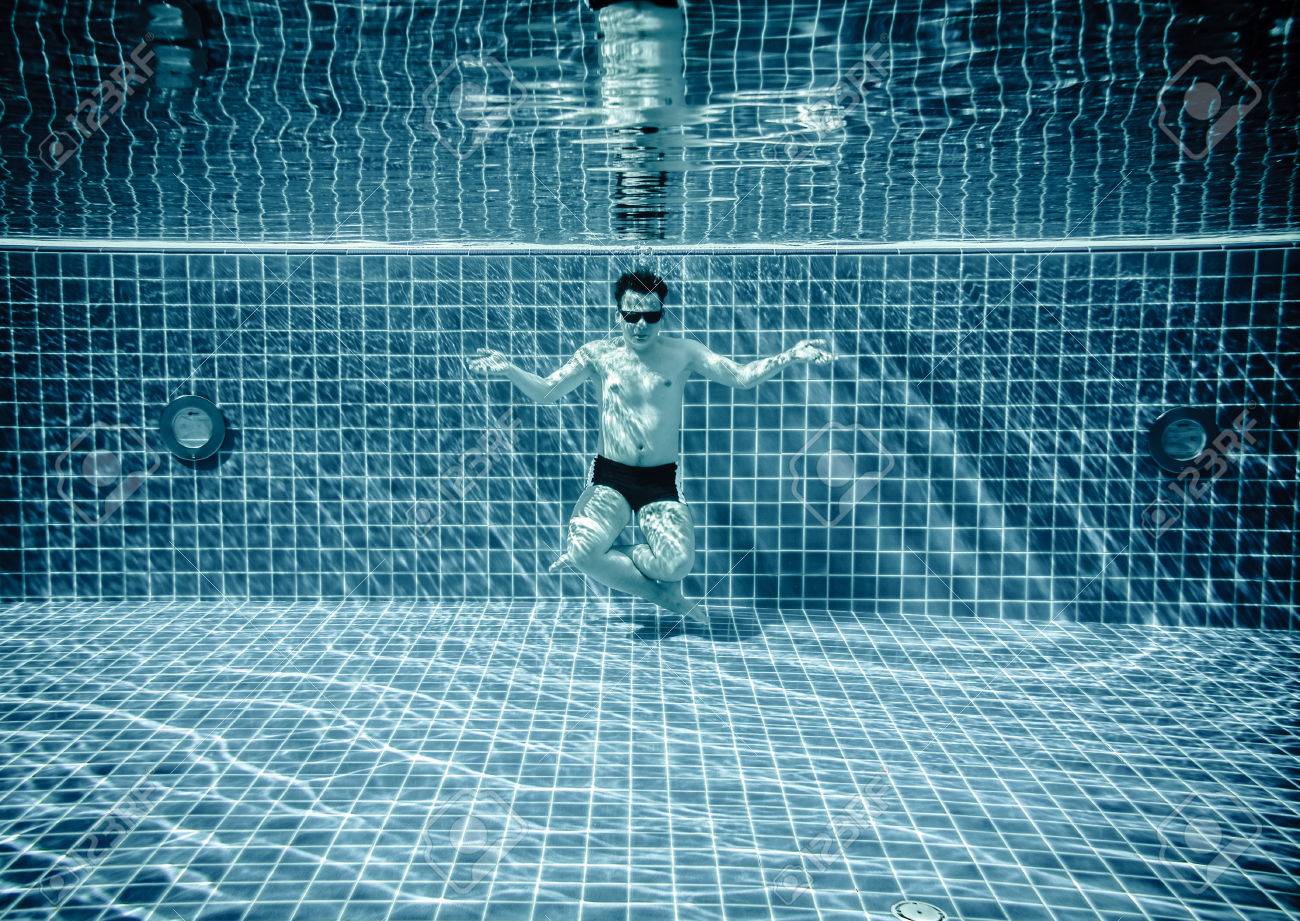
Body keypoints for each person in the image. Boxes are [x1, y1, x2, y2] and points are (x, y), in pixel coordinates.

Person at [468, 271, 832, 624]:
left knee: (677, 565)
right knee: (585, 551)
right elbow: (548, 391)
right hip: (610, 476)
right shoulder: (597, 355)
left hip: (660, 481)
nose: (641, 324)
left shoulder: (684, 353)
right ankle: (662, 596)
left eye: (651, 315)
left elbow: (740, 377)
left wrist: (790, 356)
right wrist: (510, 370)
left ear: (662, 315)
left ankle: (606, 561)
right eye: (632, 315)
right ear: (619, 315)